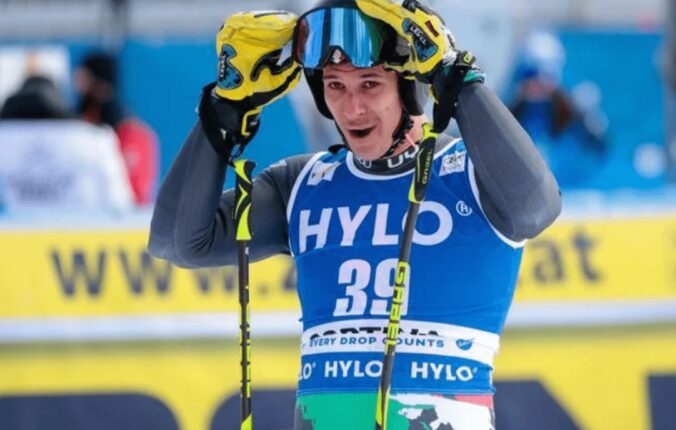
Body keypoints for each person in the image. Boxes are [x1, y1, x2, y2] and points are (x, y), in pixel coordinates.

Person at [149, 0, 560, 428]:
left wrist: (453, 74)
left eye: (370, 84)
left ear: (411, 86)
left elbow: (536, 209)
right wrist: (224, 108)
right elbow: (177, 243)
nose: (351, 108)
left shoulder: (473, 173)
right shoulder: (302, 183)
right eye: (335, 85)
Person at [509, 30, 607, 189]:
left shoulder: (573, 116)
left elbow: (600, 153)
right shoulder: (511, 115)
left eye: (541, 79)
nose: (536, 85)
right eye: (529, 76)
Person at [75, 51, 159, 205]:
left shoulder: (134, 134)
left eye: (84, 80)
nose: (78, 88)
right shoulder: (77, 129)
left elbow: (136, 196)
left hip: (121, 216)